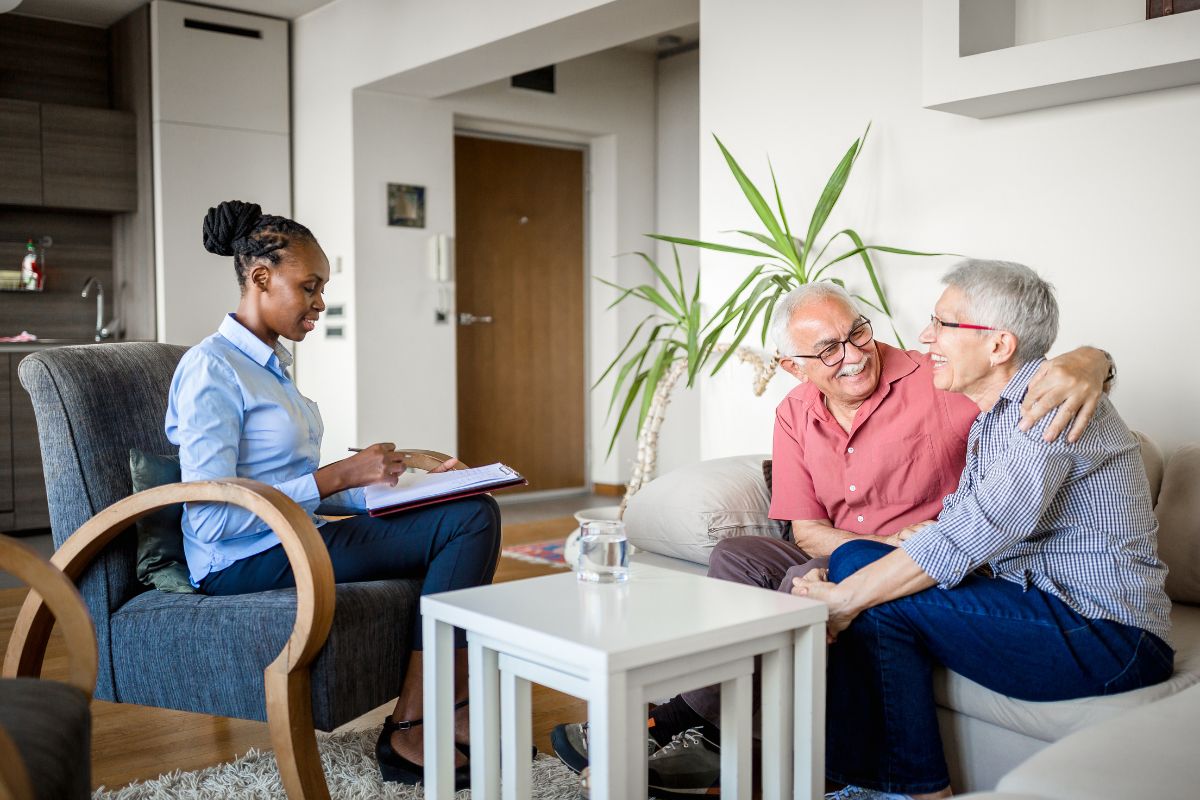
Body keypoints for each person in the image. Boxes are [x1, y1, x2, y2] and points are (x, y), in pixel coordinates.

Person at [552, 279, 1114, 798]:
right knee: (738, 557)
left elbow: (1027, 384)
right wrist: (860, 551)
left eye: (858, 333)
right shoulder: (795, 410)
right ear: (791, 366)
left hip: (929, 562)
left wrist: (1095, 362)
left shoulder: (938, 377)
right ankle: (713, 736)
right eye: (826, 350)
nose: (852, 355)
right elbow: (805, 529)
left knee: (815, 583)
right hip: (853, 548)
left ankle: (669, 721)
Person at [797, 259, 1171, 800]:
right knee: (857, 560)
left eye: (943, 324)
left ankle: (899, 789)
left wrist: (840, 602)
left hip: (1110, 636)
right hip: (1043, 605)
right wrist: (902, 547)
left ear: (998, 346)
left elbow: (981, 530)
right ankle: (901, 786)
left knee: (862, 582)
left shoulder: (1045, 409)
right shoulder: (996, 415)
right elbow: (971, 525)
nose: (926, 336)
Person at [165, 200, 501, 790]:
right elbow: (214, 515)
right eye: (310, 287)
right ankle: (416, 726)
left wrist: (393, 481)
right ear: (260, 278)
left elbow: (297, 490)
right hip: (238, 561)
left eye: (322, 288)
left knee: (466, 509)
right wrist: (340, 476)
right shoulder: (210, 369)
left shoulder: (271, 367)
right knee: (470, 522)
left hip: (292, 536)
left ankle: (441, 710)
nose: (320, 302)